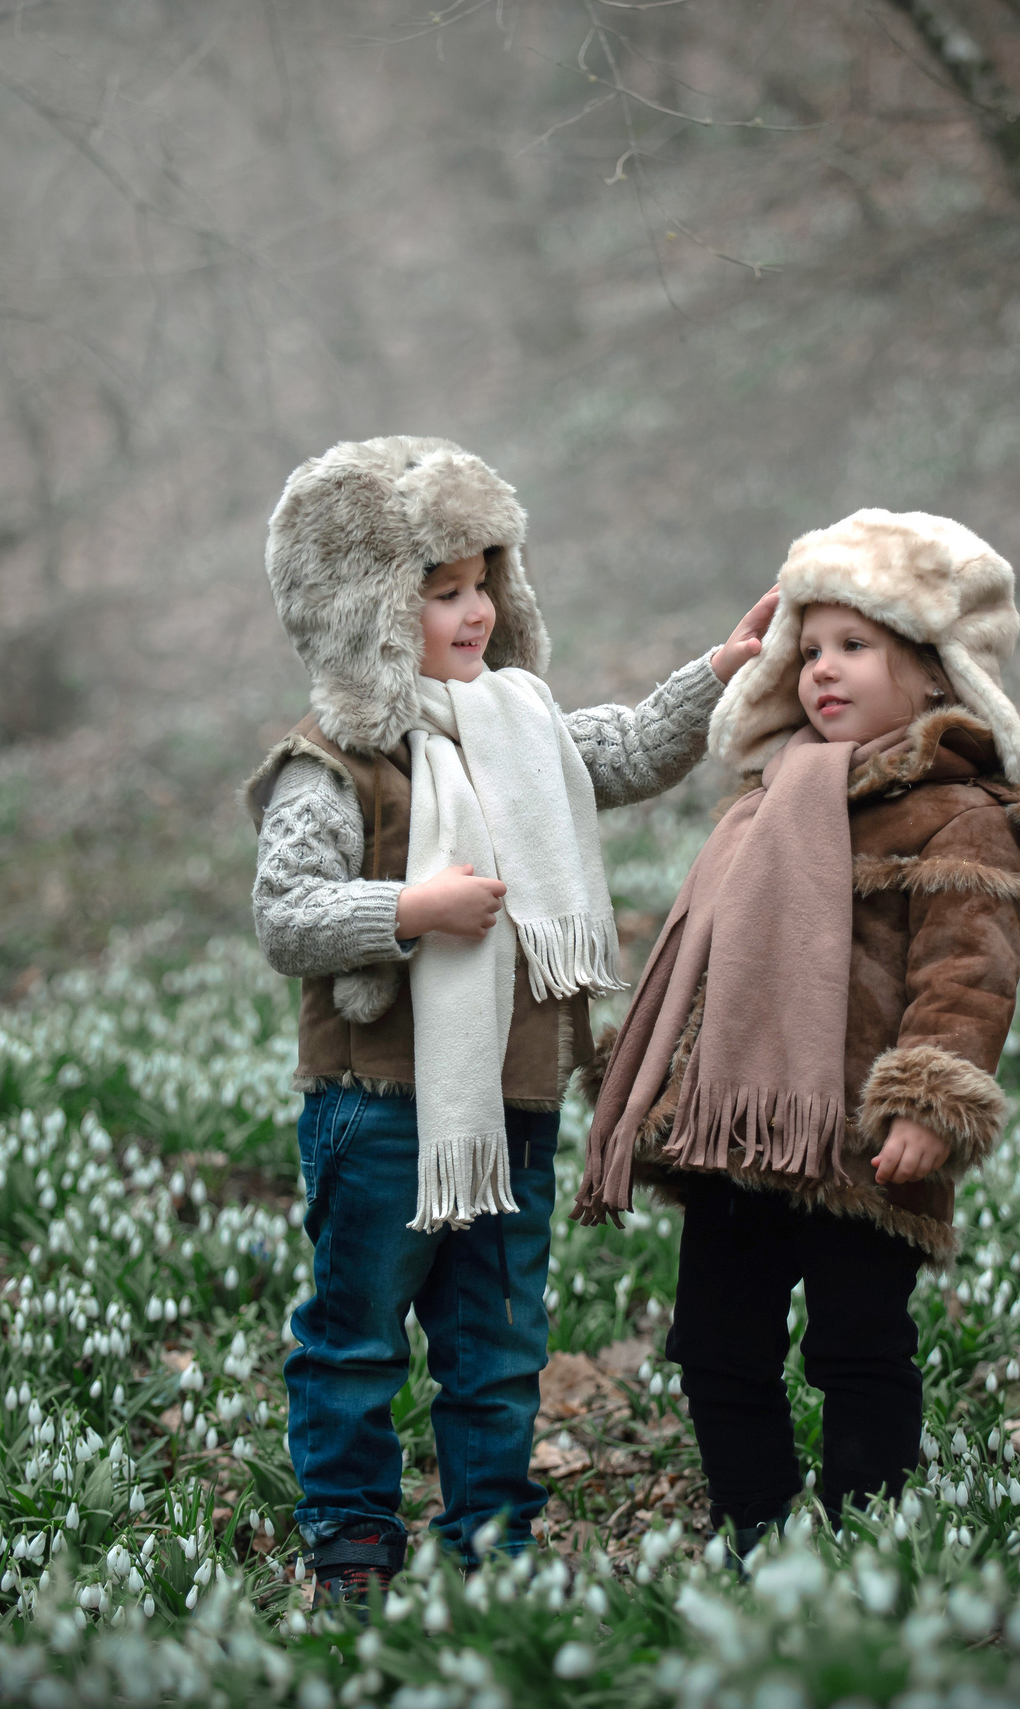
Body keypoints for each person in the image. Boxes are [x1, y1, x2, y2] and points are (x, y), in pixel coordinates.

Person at [245, 435, 777, 1606]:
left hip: (515, 1098)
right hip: (384, 1107)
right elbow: (285, 911)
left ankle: (490, 1540)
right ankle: (351, 1545)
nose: (474, 610)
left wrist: (718, 671)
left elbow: (629, 746)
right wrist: (409, 907)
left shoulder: (521, 725)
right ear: (370, 610)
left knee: (496, 1345)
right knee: (357, 1337)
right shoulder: (333, 764)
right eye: (440, 592)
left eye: (484, 581)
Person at [575, 508, 1020, 1556]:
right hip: (737, 1134)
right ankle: (753, 1523)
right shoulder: (771, 797)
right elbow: (714, 952)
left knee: (858, 1342)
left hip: (862, 1137)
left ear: (937, 674)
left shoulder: (960, 814)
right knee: (718, 1343)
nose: (821, 669)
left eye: (855, 646)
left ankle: (870, 1524)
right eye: (807, 648)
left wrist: (929, 1100)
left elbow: (968, 969)